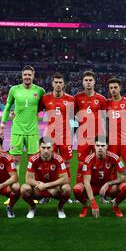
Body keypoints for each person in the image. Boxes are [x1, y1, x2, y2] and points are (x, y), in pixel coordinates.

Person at [0, 65, 46, 175]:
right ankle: (15, 184)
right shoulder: (14, 90)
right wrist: (2, 126)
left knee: (33, 161)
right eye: (25, 75)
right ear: (22, 75)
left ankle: (31, 186)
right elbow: (7, 107)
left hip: (32, 132)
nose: (27, 77)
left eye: (29, 75)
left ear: (33, 76)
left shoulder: (40, 91)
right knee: (15, 160)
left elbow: (45, 105)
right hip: (17, 131)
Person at [38, 72, 75, 204]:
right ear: (52, 83)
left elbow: (73, 117)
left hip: (66, 136)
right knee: (47, 163)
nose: (58, 85)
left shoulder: (70, 99)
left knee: (67, 164)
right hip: (50, 136)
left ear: (64, 84)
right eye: (56, 82)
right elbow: (34, 110)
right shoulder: (45, 98)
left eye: (60, 82)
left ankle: (66, 192)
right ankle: (47, 193)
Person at [73, 136, 126, 218]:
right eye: (98, 145)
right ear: (94, 146)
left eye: (102, 146)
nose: (100, 148)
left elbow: (124, 176)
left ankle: (116, 205)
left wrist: (108, 184)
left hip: (108, 187)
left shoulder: (114, 157)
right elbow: (86, 182)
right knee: (76, 189)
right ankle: (86, 205)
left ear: (107, 146)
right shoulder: (88, 159)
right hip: (92, 187)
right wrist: (93, 203)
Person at [19, 137, 71, 219]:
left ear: (52, 148)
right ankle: (32, 207)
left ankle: (60, 209)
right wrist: (41, 186)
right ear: (39, 148)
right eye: (43, 148)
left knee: (67, 188)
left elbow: (65, 179)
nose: (46, 150)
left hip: (54, 189)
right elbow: (28, 179)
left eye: (48, 148)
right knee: (24, 188)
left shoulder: (58, 158)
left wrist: (46, 185)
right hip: (38, 189)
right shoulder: (33, 159)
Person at [74, 71, 107, 184]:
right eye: (86, 80)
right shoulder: (77, 98)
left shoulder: (101, 99)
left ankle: (100, 187)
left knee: (100, 162)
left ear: (94, 82)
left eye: (90, 80)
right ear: (83, 82)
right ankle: (79, 187)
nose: (88, 82)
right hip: (83, 137)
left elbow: (105, 118)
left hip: (98, 136)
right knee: (81, 163)